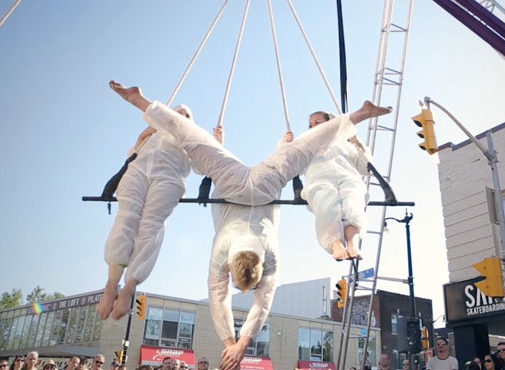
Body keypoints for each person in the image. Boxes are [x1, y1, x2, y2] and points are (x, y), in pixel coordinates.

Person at [109, 80, 390, 370]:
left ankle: (142, 102)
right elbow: (222, 299)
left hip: (263, 185)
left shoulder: (269, 255)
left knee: (302, 146)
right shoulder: (225, 250)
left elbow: (259, 304)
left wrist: (237, 342)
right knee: (194, 139)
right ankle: (141, 102)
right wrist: (234, 342)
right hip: (238, 184)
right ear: (232, 268)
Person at [97, 104, 193, 320]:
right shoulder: (153, 131)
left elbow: (208, 159)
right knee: (125, 219)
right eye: (177, 111)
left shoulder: (191, 138)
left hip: (168, 178)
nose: (180, 114)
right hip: (137, 172)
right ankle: (111, 285)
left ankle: (129, 287)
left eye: (186, 114)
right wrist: (150, 129)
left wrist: (218, 140)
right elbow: (135, 149)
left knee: (151, 227)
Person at [301, 111, 373, 260]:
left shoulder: (342, 143)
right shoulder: (305, 145)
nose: (312, 127)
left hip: (347, 177)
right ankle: (336, 244)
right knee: (326, 203)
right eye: (310, 125)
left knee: (352, 202)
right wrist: (284, 144)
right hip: (319, 180)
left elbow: (366, 167)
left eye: (317, 123)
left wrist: (355, 141)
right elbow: (290, 163)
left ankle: (353, 243)